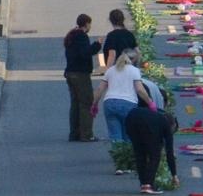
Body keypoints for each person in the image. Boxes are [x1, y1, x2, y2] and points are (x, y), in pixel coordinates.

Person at [93, 47, 150, 150]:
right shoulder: (134, 71)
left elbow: (100, 89)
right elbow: (140, 90)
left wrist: (94, 104)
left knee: (115, 134)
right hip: (128, 104)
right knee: (128, 133)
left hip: (109, 103)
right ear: (133, 59)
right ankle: (127, 155)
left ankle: (118, 155)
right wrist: (150, 103)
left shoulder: (110, 70)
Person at [63, 14, 102, 142]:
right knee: (86, 102)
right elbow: (85, 53)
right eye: (90, 24)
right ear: (86, 24)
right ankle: (86, 134)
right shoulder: (82, 36)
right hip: (80, 74)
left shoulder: (72, 35)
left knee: (75, 104)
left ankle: (74, 133)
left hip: (70, 73)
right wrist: (97, 44)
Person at [125, 102, 178, 195]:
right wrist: (174, 175)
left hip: (130, 118)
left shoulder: (158, 116)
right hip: (143, 122)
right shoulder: (165, 124)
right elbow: (169, 152)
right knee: (155, 156)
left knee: (140, 153)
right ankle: (148, 184)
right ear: (172, 125)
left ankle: (144, 184)